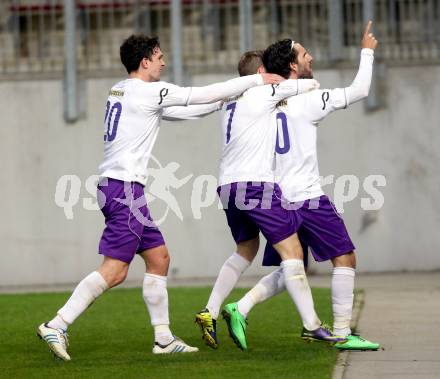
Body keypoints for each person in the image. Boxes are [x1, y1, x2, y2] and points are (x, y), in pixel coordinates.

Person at [36, 34, 285, 361]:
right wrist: (255, 80)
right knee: (115, 270)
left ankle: (164, 339)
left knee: (158, 258)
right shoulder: (147, 91)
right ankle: (58, 323)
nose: (164, 62)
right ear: (145, 61)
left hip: (120, 188)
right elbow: (199, 94)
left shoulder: (121, 90)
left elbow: (189, 109)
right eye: (159, 56)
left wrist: (224, 102)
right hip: (124, 189)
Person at [222, 21, 380, 351]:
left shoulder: (262, 101)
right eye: (305, 55)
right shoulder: (310, 99)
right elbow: (360, 90)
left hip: (276, 197)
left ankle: (242, 306)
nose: (311, 58)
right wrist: (366, 50)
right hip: (307, 197)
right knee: (345, 258)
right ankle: (340, 331)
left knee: (291, 265)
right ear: (293, 65)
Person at [195, 50, 346, 350]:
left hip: (227, 185)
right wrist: (285, 81)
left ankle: (210, 310)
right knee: (293, 252)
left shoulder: (229, 102)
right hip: (255, 186)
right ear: (261, 72)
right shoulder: (259, 94)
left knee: (246, 248)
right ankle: (312, 325)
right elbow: (306, 85)